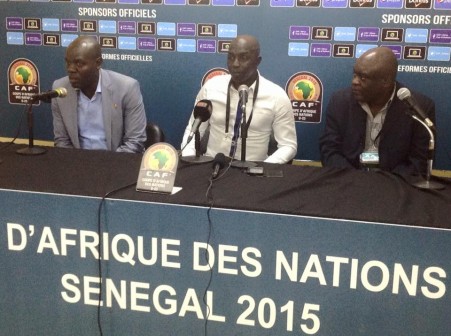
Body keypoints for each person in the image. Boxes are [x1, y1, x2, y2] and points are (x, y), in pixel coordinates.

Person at [180, 35, 297, 164]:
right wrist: (188, 161)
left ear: (258, 61)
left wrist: (264, 168)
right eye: (230, 57)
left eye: (244, 58)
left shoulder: (276, 96)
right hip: (211, 167)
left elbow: (288, 145)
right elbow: (193, 129)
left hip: (253, 172)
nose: (235, 64)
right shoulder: (211, 88)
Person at [319, 46, 435, 176]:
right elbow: (329, 150)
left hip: (396, 186)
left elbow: (419, 162)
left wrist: (384, 183)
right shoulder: (340, 101)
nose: (354, 82)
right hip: (348, 181)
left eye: (363, 78)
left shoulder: (419, 108)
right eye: (355, 75)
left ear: (385, 81)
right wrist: (355, 178)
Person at [52, 36, 147, 153]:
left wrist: (104, 167)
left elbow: (134, 142)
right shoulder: (60, 89)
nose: (70, 69)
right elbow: (62, 141)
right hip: (77, 163)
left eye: (79, 63)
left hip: (117, 163)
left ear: (98, 63)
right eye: (68, 63)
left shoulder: (127, 88)